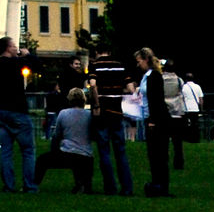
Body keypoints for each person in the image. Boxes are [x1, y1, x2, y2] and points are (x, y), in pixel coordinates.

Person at [0, 36, 37, 194]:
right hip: (18, 111)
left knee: (6, 151)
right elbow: (37, 65)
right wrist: (27, 55)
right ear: (7, 48)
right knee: (27, 150)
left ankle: (9, 185)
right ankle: (29, 186)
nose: (16, 49)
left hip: (1, 112)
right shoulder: (17, 63)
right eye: (14, 46)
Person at [88, 53, 134, 197]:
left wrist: (96, 104)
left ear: (97, 53)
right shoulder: (120, 66)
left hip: (102, 112)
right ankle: (127, 188)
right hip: (116, 111)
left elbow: (93, 85)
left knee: (104, 150)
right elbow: (131, 89)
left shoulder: (95, 65)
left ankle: (110, 187)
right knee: (120, 151)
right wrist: (118, 91)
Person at [34, 87, 94, 192]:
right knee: (80, 162)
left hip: (68, 153)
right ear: (84, 100)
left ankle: (33, 185)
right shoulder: (89, 115)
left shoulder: (63, 113)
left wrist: (54, 150)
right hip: (86, 155)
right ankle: (83, 185)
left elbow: (57, 135)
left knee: (42, 160)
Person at [135, 47, 171, 197]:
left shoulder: (153, 77)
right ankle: (158, 183)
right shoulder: (148, 76)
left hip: (156, 120)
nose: (138, 64)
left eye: (139, 61)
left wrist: (153, 120)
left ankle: (160, 185)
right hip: (151, 118)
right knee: (154, 154)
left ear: (146, 60)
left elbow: (156, 99)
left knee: (158, 154)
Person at [161, 61, 186, 172]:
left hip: (164, 112)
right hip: (177, 113)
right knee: (177, 141)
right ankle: (179, 163)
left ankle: (164, 161)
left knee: (164, 141)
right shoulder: (179, 80)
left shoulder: (160, 79)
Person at [180, 69, 204, 147]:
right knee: (195, 124)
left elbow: (181, 98)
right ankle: (196, 138)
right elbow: (201, 99)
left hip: (187, 108)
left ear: (186, 79)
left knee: (187, 125)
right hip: (195, 108)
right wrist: (201, 109)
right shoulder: (197, 86)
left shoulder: (183, 87)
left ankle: (188, 138)